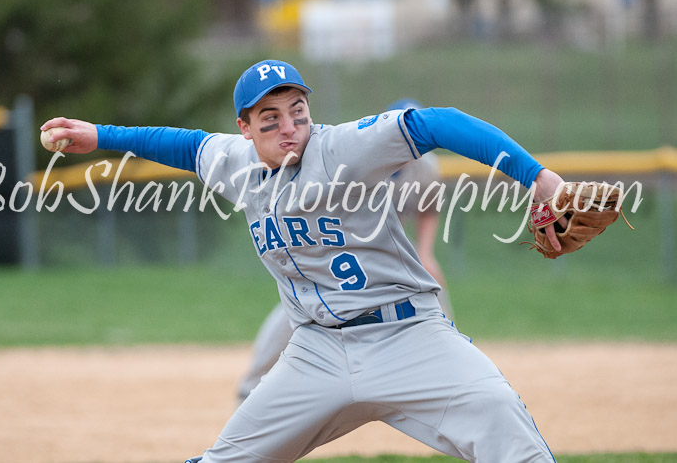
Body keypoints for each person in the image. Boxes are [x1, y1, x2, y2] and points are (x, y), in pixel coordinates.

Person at [41, 59, 565, 463]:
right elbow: (181, 145)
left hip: (409, 336)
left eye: (298, 112)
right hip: (316, 351)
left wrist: (539, 180)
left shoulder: (344, 149)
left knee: (509, 433)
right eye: (270, 119)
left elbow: (437, 123)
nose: (289, 126)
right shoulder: (235, 162)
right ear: (244, 128)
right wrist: (100, 137)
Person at [236, 99, 454, 403]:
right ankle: (253, 381)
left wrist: (425, 252)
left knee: (431, 279)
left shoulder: (426, 167)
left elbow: (427, 207)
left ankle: (446, 365)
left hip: (385, 249)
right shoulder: (363, 155)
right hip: (336, 243)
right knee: (306, 303)